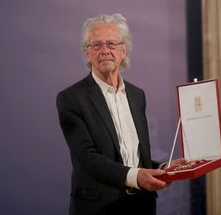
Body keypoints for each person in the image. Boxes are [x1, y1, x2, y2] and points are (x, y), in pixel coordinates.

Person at [56, 13, 183, 215]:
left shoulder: (137, 95)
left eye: (111, 44)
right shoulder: (71, 99)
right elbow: (88, 158)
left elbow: (136, 158)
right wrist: (136, 177)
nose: (105, 50)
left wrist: (165, 168)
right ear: (87, 53)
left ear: (123, 50)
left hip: (142, 206)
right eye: (96, 45)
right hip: (98, 209)